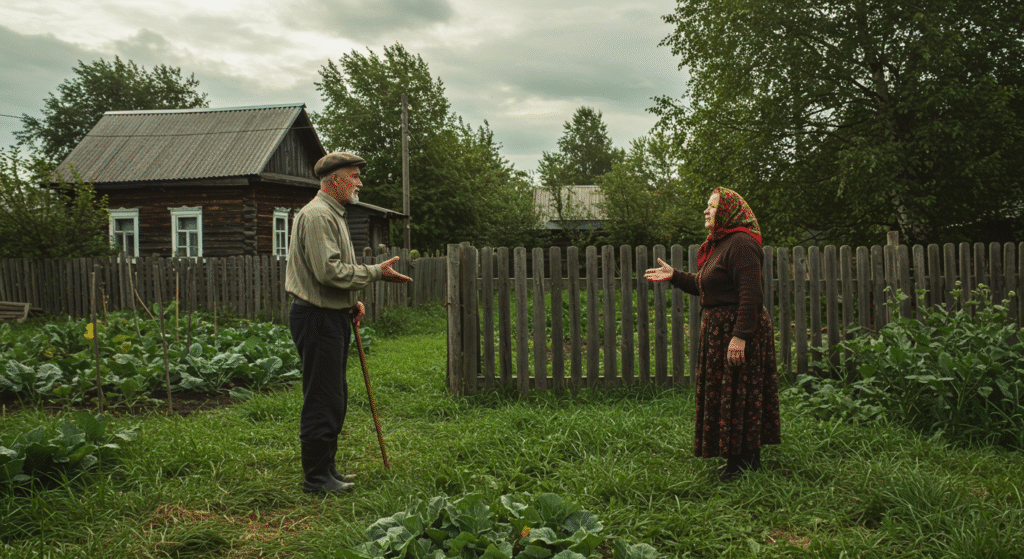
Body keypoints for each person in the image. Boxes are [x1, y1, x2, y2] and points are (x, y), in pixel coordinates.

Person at [285, 151, 412, 495]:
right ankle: (316, 479)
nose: (360, 182)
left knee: (333, 397)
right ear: (335, 180)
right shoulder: (317, 216)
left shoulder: (333, 214)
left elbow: (327, 273)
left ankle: (327, 471)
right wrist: (376, 273)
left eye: (358, 176)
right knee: (322, 399)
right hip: (316, 318)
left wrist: (349, 302)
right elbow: (328, 272)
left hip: (330, 313)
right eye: (354, 176)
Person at [644, 187, 781, 481]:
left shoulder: (741, 244)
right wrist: (676, 277)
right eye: (707, 206)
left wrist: (740, 335)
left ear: (729, 211)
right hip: (722, 330)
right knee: (730, 392)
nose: (706, 211)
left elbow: (751, 295)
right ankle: (740, 460)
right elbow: (709, 287)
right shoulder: (723, 244)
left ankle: (744, 463)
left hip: (739, 329)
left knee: (741, 392)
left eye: (712, 206)